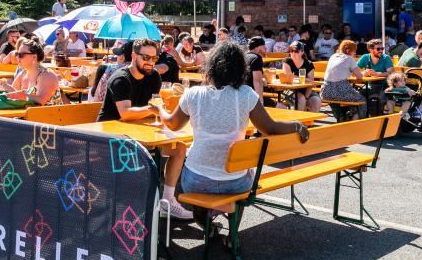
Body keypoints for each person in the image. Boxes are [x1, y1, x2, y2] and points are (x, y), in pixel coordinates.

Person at [159, 40, 309, 207]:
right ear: (240, 69)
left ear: (212, 66)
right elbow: (270, 128)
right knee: (246, 174)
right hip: (235, 182)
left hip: (196, 180)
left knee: (193, 174)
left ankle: (205, 220)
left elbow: (173, 124)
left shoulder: (194, 94)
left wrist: (159, 110)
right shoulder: (246, 94)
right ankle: (233, 228)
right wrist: (297, 125)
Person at [97, 38, 191, 220]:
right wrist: (153, 109)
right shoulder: (120, 79)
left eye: (154, 58)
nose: (150, 62)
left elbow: (154, 103)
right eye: (145, 57)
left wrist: (160, 111)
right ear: (133, 56)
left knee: (179, 147)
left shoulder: (154, 76)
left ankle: (167, 201)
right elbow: (125, 113)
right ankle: (135, 212)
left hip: (138, 136)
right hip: (110, 140)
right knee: (146, 159)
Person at [0, 38, 61, 105]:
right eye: (17, 54)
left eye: (21, 55)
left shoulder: (47, 75)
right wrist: (4, 89)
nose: (17, 58)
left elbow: (40, 101)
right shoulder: (22, 75)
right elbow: (13, 98)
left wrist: (12, 91)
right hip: (26, 114)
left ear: (34, 57)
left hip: (48, 114)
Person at [320, 40, 366, 118]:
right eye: (354, 51)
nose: (354, 53)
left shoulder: (333, 56)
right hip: (339, 90)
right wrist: (364, 73)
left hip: (325, 91)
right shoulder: (349, 59)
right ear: (349, 50)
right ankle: (357, 120)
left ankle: (342, 116)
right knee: (362, 99)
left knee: (349, 98)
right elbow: (360, 76)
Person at [281, 41, 321, 112]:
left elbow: (310, 83)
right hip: (289, 90)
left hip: (306, 90)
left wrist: (306, 97)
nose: (293, 53)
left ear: (302, 52)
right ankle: (298, 122)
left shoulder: (308, 64)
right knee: (300, 99)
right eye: (291, 51)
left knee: (316, 101)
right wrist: (305, 79)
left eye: (296, 51)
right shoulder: (287, 61)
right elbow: (288, 76)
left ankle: (309, 122)